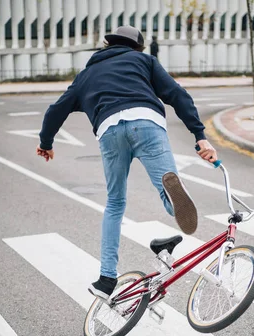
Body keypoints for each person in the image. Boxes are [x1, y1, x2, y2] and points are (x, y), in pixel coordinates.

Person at [37, 25, 218, 299]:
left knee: (115, 203)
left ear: (106, 45)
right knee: (165, 186)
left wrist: (46, 143)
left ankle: (106, 279)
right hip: (147, 122)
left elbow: (56, 110)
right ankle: (172, 199)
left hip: (109, 130)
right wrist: (199, 136)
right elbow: (176, 94)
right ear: (136, 47)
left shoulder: (87, 74)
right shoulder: (143, 61)